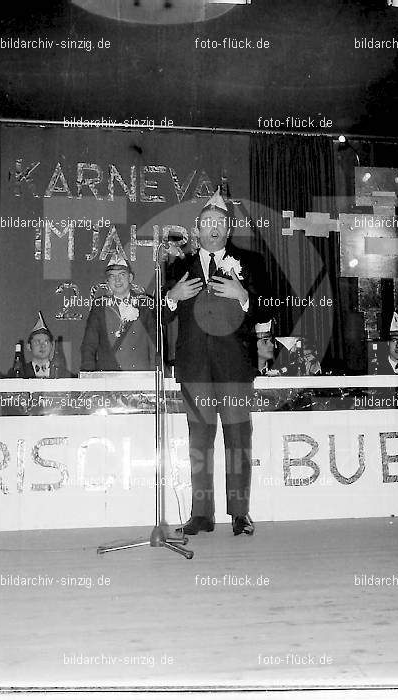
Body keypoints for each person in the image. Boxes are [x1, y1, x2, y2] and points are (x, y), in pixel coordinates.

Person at [165, 187, 271, 536]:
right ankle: (202, 514)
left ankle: (240, 513)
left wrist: (243, 297)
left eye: (219, 222)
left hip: (235, 367)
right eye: (206, 221)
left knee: (238, 438)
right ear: (196, 229)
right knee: (199, 441)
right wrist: (171, 297)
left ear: (229, 229)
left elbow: (267, 310)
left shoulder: (250, 262)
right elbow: (158, 317)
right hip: (195, 367)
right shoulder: (179, 265)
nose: (213, 227)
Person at [80, 252, 156, 372]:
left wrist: (154, 375)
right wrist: (89, 377)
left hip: (140, 375)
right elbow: (89, 345)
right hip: (108, 376)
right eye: (112, 276)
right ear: (107, 281)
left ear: (130, 278)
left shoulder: (145, 304)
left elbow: (155, 344)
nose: (117, 280)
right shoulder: (99, 306)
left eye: (122, 274)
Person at [23, 312, 72, 378]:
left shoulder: (63, 374)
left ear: (51, 346)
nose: (42, 346)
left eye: (46, 342)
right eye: (37, 342)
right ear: (29, 346)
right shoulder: (21, 372)